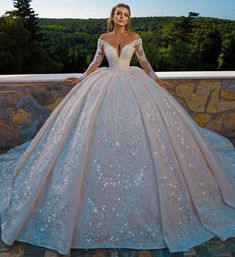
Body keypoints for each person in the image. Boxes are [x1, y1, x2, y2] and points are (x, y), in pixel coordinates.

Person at [0, 3, 235, 256]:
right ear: (112, 16)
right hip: (105, 83)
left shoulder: (135, 38)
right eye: (118, 13)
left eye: (126, 15)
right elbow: (95, 62)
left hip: (134, 85)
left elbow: (144, 63)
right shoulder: (104, 38)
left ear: (128, 19)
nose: (122, 17)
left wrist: (156, 80)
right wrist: (81, 79)